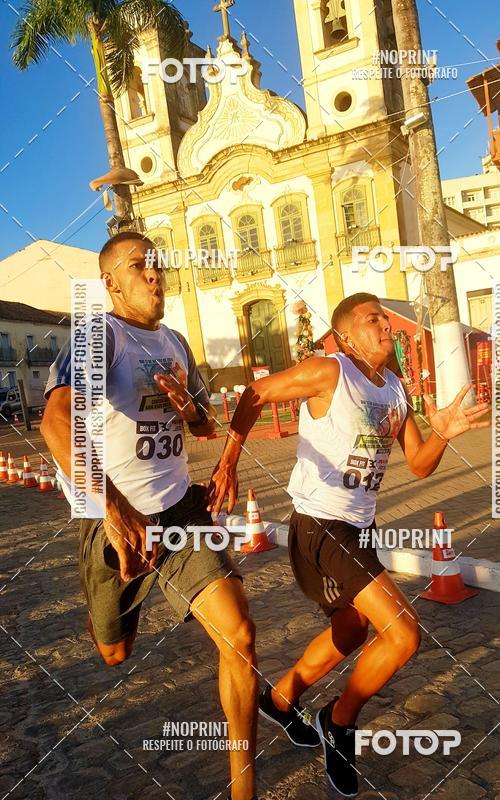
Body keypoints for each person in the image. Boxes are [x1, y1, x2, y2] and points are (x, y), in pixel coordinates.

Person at [208, 292, 489, 797]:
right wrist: (229, 460)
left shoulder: (396, 389)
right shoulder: (329, 371)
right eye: (372, 319)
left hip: (359, 528)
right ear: (344, 336)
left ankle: (281, 699)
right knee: (403, 634)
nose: (385, 325)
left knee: (353, 629)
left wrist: (442, 433)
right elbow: (254, 395)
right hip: (320, 525)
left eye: (386, 318)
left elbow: (420, 463)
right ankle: (337, 724)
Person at [41, 232, 258, 800]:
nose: (154, 274)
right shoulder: (100, 336)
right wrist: (112, 504)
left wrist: (191, 407)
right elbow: (55, 423)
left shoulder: (177, 343)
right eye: (139, 266)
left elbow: (205, 426)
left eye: (158, 265)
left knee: (239, 636)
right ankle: (106, 613)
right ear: (111, 282)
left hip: (181, 508)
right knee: (115, 653)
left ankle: (243, 791)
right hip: (113, 518)